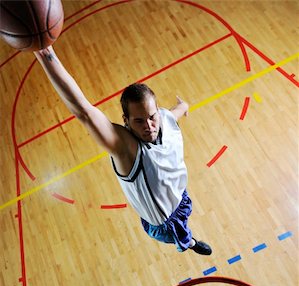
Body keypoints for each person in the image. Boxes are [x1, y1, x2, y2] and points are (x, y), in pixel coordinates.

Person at [34, 46, 212, 255]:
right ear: (126, 121)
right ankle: (190, 243)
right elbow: (84, 111)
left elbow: (173, 113)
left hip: (180, 196)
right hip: (164, 224)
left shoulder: (164, 118)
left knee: (184, 218)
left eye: (152, 117)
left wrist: (184, 106)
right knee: (183, 237)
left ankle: (187, 237)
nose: (149, 126)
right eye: (139, 121)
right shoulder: (127, 150)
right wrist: (45, 54)